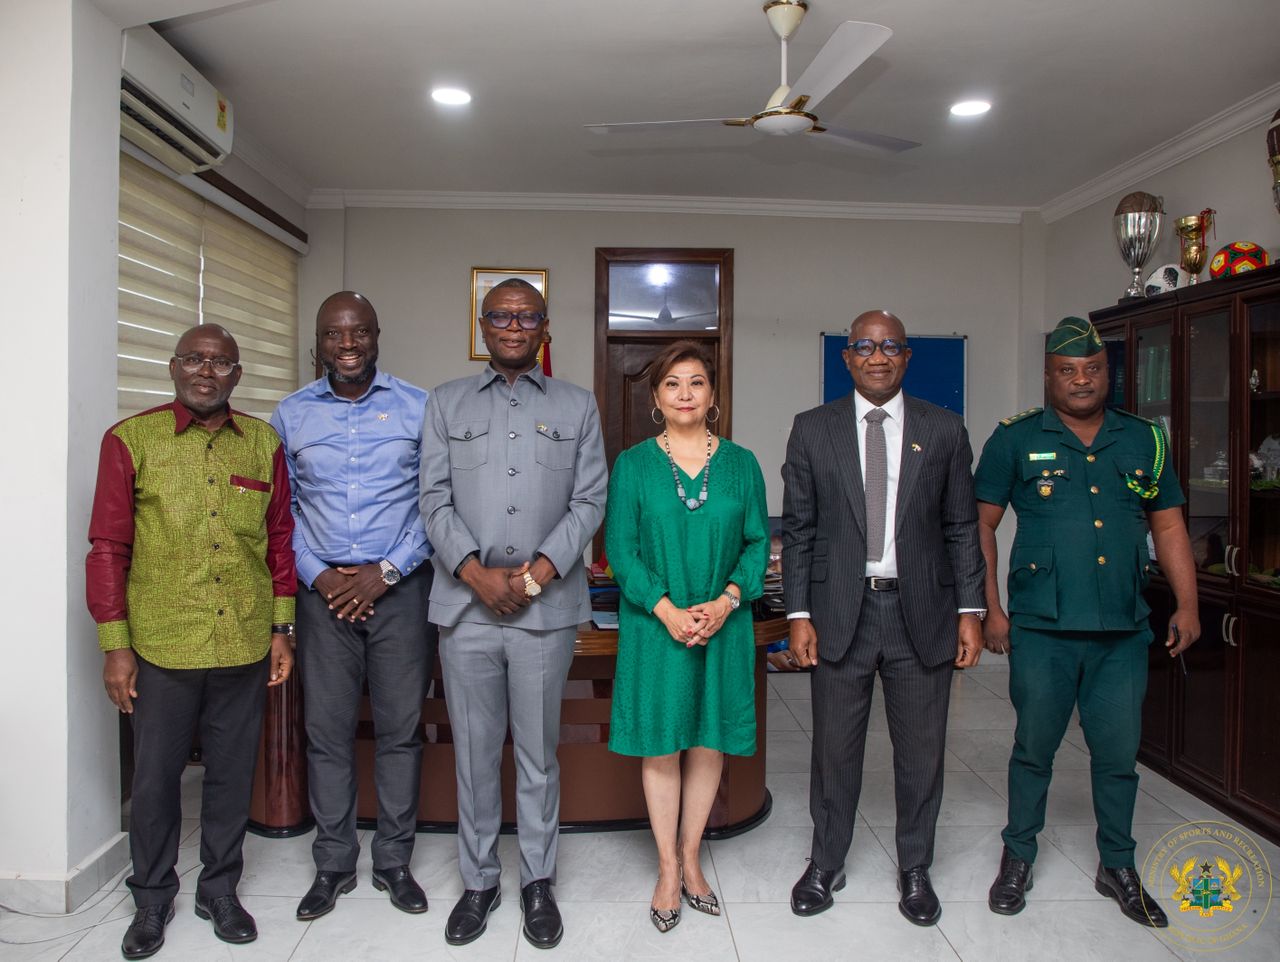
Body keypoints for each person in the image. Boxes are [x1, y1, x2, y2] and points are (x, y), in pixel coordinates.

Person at [975, 316, 1199, 927]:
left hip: (1122, 630)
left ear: (1108, 374)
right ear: (1048, 377)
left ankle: (1117, 864)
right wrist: (992, 609)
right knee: (1033, 750)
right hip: (1042, 629)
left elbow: (1169, 525)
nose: (1081, 380)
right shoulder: (1015, 438)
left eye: (1093, 369)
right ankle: (1018, 856)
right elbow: (981, 525)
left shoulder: (1144, 439)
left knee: (1118, 755)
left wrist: (1188, 603)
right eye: (1068, 370)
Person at [87, 324, 295, 959]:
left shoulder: (262, 443)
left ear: (238, 374)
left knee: (231, 776)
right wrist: (115, 645)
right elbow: (108, 548)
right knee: (155, 781)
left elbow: (279, 541)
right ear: (174, 368)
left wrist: (281, 629)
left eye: (221, 363)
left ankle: (219, 890)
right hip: (162, 644)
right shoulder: (131, 440)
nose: (207, 371)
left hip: (243, 642)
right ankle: (152, 899)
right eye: (195, 360)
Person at [781, 310, 985, 926]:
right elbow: (799, 530)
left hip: (921, 612)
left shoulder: (943, 429)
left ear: (906, 356)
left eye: (890, 346)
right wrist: (798, 612)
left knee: (921, 753)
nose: (878, 356)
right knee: (834, 751)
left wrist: (971, 610)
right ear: (846, 357)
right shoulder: (812, 429)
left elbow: (961, 526)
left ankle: (915, 867)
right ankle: (826, 862)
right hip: (839, 612)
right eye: (865, 347)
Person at [420, 278, 607, 949]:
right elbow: (432, 499)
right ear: (483, 325)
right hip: (466, 609)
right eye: (501, 315)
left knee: (537, 756)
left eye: (527, 316)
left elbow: (590, 500)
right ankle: (478, 882)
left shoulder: (577, 404)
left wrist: (533, 577)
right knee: (474, 756)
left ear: (544, 327)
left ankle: (537, 882)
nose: (513, 325)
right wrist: (475, 574)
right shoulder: (444, 403)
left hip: (543, 612)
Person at [270, 292, 437, 921]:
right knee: (326, 734)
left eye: (359, 332)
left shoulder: (419, 407)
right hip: (322, 600)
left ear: (376, 336)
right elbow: (281, 512)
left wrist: (384, 573)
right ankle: (334, 863)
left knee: (400, 732)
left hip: (400, 592)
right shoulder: (289, 415)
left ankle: (393, 861)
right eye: (334, 334)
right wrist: (319, 577)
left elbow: (434, 502)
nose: (347, 344)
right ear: (317, 342)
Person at [606, 341, 769, 933]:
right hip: (656, 627)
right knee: (662, 743)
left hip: (723, 624)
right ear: (655, 397)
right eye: (672, 383)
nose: (684, 394)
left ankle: (693, 857)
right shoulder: (632, 466)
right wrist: (666, 608)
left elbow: (758, 543)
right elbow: (620, 549)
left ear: (712, 394)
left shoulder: (743, 464)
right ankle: (668, 868)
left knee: (708, 740)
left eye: (696, 382)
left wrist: (727, 601)